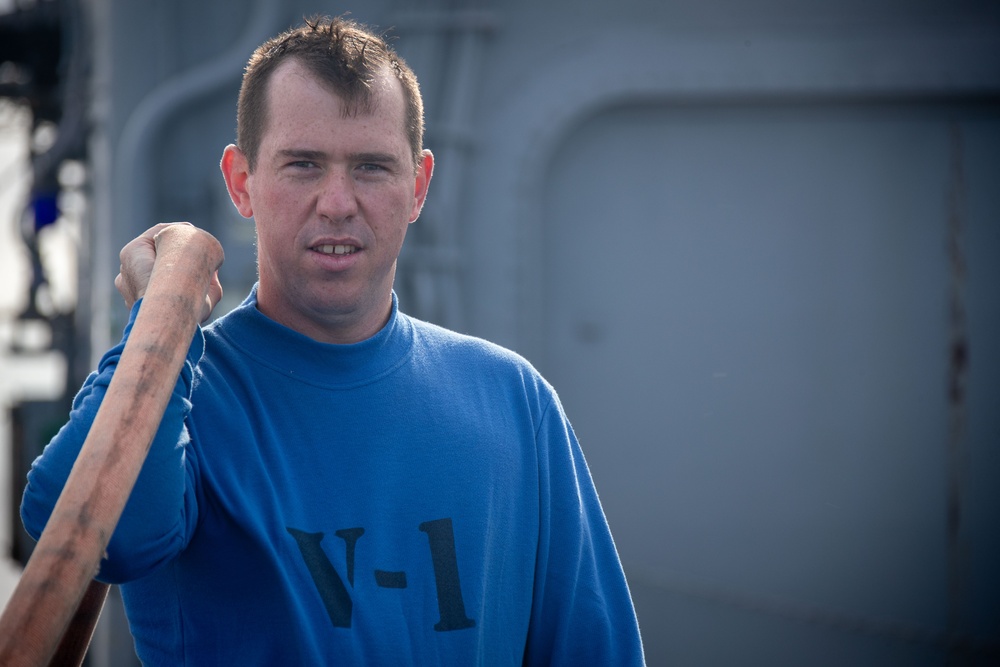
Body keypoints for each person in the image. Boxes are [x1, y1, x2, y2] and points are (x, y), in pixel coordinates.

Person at [21, 15, 645, 665]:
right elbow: (86, 539)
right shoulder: (186, 405)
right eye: (303, 164)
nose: (338, 201)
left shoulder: (514, 401)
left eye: (372, 167)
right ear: (242, 182)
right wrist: (157, 326)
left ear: (419, 186)